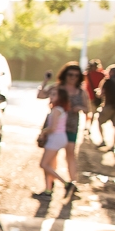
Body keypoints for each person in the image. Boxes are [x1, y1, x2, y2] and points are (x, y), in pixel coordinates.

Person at [36, 61, 86, 190]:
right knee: (51, 157)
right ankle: (49, 186)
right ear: (65, 75)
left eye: (76, 75)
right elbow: (40, 95)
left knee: (70, 154)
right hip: (54, 126)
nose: (73, 77)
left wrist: (80, 107)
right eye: (70, 74)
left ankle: (71, 183)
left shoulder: (81, 92)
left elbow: (88, 109)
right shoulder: (57, 88)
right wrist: (45, 81)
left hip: (71, 126)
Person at [34, 87, 72, 199]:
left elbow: (53, 127)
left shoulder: (56, 110)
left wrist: (43, 132)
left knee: (44, 164)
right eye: (51, 94)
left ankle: (66, 184)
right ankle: (48, 190)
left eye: (54, 94)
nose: (51, 96)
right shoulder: (59, 109)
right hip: (57, 138)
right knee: (48, 165)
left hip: (55, 138)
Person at [84, 59, 106, 134]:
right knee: (93, 113)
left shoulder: (86, 74)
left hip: (88, 97)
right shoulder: (102, 74)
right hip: (97, 97)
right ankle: (89, 127)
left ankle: (86, 126)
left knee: (87, 112)